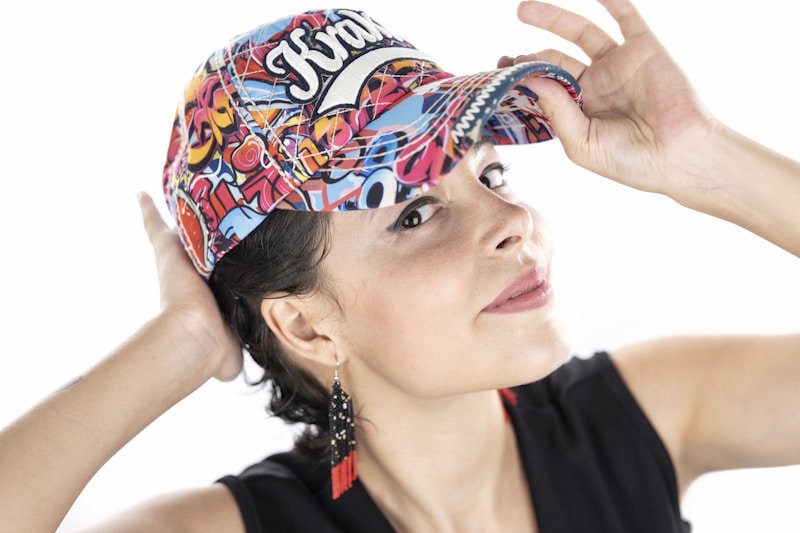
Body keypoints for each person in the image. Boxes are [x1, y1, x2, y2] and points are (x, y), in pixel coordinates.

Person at [1, 0, 798, 532]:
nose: (511, 221)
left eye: (490, 174)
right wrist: (181, 341)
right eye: (414, 214)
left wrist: (705, 158)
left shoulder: (638, 416)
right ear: (305, 322)